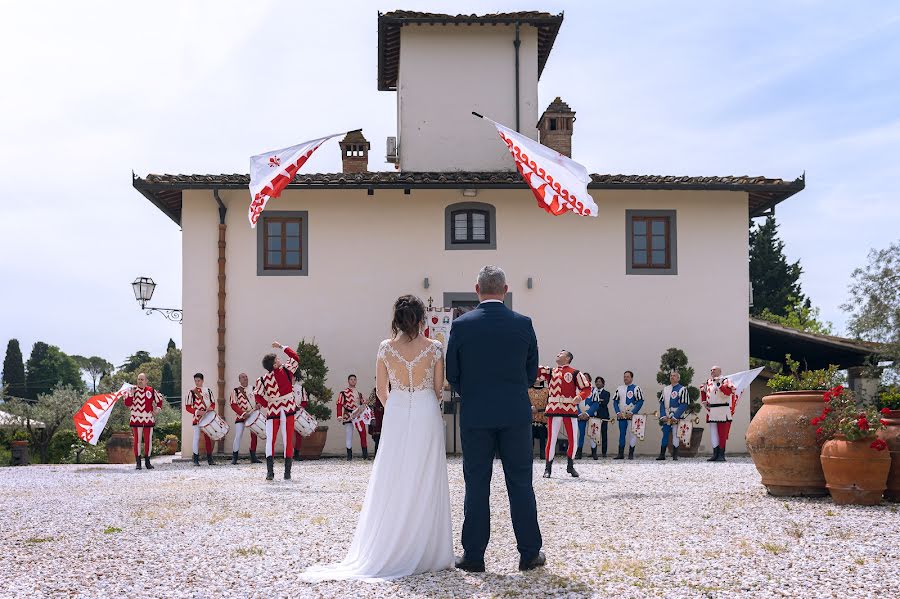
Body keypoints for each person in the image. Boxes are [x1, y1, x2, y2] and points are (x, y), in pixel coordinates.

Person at [300, 295, 453, 581]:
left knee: (392, 475)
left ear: (396, 320)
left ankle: (390, 543)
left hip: (395, 411)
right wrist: (425, 408)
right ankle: (429, 550)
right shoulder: (435, 349)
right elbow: (437, 390)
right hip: (427, 411)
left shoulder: (385, 348)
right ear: (421, 320)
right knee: (425, 475)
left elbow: (382, 392)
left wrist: (398, 407)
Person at [447, 266, 544, 572]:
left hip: (476, 414)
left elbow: (453, 374)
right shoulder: (523, 324)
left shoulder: (462, 326)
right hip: (515, 413)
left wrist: (473, 393)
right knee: (520, 484)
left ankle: (474, 556)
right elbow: (532, 372)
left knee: (476, 484)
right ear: (505, 289)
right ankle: (529, 553)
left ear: (477, 289)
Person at [537, 350, 592, 478]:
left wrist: (580, 396)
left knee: (573, 439)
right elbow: (536, 370)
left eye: (561, 353)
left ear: (567, 358)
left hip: (570, 409)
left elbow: (587, 388)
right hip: (554, 409)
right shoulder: (550, 371)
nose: (557, 354)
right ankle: (548, 468)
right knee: (551, 439)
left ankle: (570, 466)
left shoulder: (575, 373)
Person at [253, 342, 301, 481]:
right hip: (288, 408)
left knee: (270, 441)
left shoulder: (262, 380)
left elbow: (257, 395)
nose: (280, 360)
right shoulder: (286, 370)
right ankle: (287, 473)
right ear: (274, 365)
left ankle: (270, 473)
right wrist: (282, 346)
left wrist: (267, 405)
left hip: (273, 410)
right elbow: (295, 357)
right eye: (277, 359)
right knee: (288, 440)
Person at [121, 372, 163, 470]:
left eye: (142, 379)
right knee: (137, 441)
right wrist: (131, 394)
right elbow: (127, 403)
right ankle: (138, 463)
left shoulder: (151, 390)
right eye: (138, 379)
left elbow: (159, 401)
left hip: (148, 419)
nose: (140, 381)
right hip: (136, 418)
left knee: (148, 441)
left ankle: (148, 462)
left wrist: (157, 409)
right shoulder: (132, 390)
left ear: (146, 381)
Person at [700, 365, 737, 462]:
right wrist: (704, 401)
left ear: (720, 371)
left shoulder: (725, 380)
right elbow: (703, 391)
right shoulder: (708, 382)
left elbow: (729, 392)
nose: (712, 371)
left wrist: (719, 385)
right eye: (711, 370)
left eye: (714, 370)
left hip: (722, 409)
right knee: (713, 433)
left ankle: (721, 454)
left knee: (722, 433)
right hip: (711, 410)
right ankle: (715, 454)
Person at [229, 373, 262, 465]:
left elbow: (259, 400)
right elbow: (233, 404)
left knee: (254, 435)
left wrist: (259, 404)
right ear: (239, 380)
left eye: (246, 376)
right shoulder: (235, 391)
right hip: (241, 416)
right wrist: (243, 413)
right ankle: (234, 458)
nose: (245, 378)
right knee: (238, 435)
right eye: (243, 377)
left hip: (252, 415)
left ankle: (253, 456)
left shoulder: (253, 389)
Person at [184, 373, 217, 466]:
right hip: (197, 418)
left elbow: (213, 403)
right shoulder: (192, 392)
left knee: (208, 438)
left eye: (198, 380)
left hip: (207, 418)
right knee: (196, 438)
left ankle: (210, 459)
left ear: (202, 380)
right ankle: (195, 459)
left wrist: (210, 409)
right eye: (195, 381)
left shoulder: (208, 391)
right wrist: (197, 412)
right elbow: (187, 407)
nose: (197, 382)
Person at [657, 370, 689, 461]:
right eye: (671, 375)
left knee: (676, 434)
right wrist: (663, 415)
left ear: (678, 378)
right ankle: (662, 454)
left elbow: (684, 404)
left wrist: (676, 416)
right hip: (667, 415)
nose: (672, 377)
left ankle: (675, 455)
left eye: (674, 376)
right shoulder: (665, 389)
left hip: (676, 415)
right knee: (665, 433)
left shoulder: (683, 389)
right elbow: (662, 404)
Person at [613, 370, 645, 460]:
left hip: (632, 416)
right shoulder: (619, 388)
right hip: (622, 415)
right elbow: (615, 402)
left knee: (632, 434)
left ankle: (631, 453)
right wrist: (617, 412)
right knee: (622, 434)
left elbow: (640, 401)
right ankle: (621, 454)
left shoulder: (636, 388)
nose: (625, 378)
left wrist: (633, 412)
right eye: (624, 376)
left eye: (627, 376)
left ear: (631, 378)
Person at [336, 374, 369, 460]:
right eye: (351, 379)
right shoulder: (343, 393)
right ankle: (349, 456)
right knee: (349, 434)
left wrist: (365, 402)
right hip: (348, 415)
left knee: (363, 434)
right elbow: (339, 404)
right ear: (348, 381)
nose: (353, 381)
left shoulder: (359, 393)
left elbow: (363, 404)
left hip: (358, 416)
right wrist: (339, 415)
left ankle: (365, 455)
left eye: (354, 379)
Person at [577, 375, 609, 460]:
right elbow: (574, 403)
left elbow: (596, 404)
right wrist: (580, 414)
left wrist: (587, 414)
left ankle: (594, 452)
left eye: (586, 378)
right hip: (580, 417)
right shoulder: (577, 389)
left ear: (589, 380)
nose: (584, 379)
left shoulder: (594, 390)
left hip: (591, 416)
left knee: (593, 434)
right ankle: (578, 452)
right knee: (580, 434)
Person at [528, 379, 549, 459]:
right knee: (530, 437)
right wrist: (530, 407)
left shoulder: (547, 391)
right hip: (531, 416)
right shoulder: (528, 390)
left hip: (542, 416)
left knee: (542, 436)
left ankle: (543, 453)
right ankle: (530, 454)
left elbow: (549, 402)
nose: (537, 380)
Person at [292, 376, 309, 461]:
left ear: (295, 377)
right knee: (288, 434)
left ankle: (297, 453)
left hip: (298, 413)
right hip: (288, 414)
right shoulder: (283, 388)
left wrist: (300, 407)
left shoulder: (300, 388)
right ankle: (288, 454)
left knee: (299, 433)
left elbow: (305, 401)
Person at [367, 387, 384, 457]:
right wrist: (372, 417)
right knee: (378, 436)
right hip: (378, 415)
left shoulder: (392, 389)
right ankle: (377, 455)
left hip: (389, 414)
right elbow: (370, 404)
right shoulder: (375, 390)